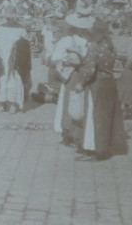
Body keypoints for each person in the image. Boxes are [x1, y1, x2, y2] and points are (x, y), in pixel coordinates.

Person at [76, 19, 127, 161]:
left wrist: (81, 82)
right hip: (109, 82)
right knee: (106, 117)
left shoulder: (94, 46)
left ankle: (95, 150)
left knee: (95, 117)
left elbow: (91, 69)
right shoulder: (110, 45)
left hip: (96, 83)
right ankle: (103, 147)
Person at [52, 12, 95, 152]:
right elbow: (56, 58)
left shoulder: (89, 39)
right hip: (73, 75)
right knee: (71, 103)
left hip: (85, 75)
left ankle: (78, 135)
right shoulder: (67, 40)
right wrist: (69, 60)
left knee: (81, 105)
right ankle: (69, 134)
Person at [0, 8, 26, 114]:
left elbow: (25, 46)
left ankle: (13, 103)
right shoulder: (0, 28)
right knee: (2, 80)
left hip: (14, 59)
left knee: (13, 80)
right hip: (2, 57)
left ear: (15, 17)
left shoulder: (21, 29)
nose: (8, 19)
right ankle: (2, 103)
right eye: (7, 17)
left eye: (11, 17)